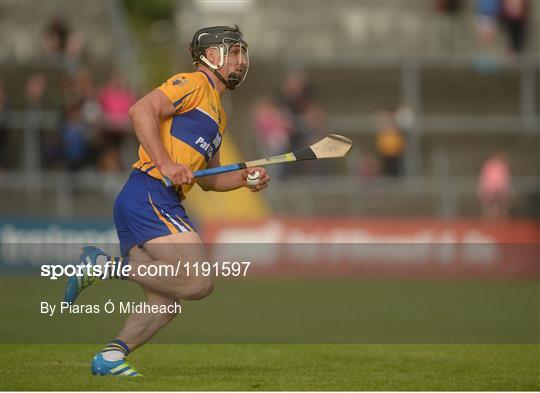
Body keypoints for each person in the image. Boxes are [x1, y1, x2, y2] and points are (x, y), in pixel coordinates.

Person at [63, 25, 270, 377]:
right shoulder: (192, 84)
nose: (240, 59)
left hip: (152, 198)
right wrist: (167, 164)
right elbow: (140, 111)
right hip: (149, 192)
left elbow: (212, 179)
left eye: (242, 52)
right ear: (210, 55)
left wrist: (244, 179)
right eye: (232, 51)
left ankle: (110, 358)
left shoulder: (218, 113)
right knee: (199, 281)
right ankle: (101, 266)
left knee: (165, 304)